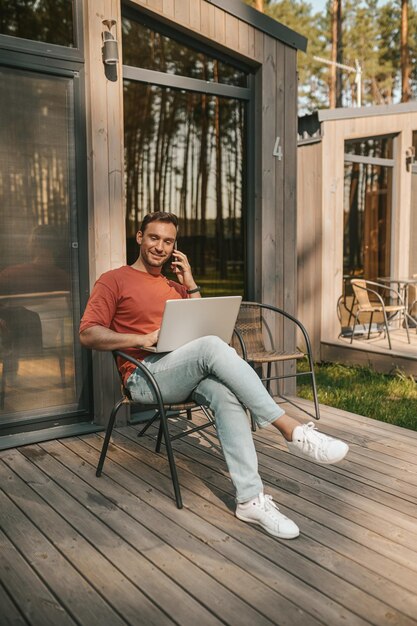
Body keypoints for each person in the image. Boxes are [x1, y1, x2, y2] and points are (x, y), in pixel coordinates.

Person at [80, 211, 349, 540]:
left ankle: (250, 499)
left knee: (224, 393)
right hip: (144, 377)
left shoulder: (175, 286)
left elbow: (205, 328)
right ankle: (290, 430)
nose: (160, 247)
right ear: (139, 238)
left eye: (168, 241)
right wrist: (141, 339)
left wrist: (190, 283)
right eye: (153, 238)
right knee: (209, 348)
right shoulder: (114, 279)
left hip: (182, 371)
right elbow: (88, 334)